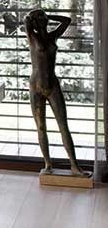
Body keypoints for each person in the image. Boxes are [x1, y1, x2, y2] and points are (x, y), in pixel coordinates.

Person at [24, 9, 84, 175]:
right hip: (36, 86)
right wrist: (31, 19)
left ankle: (74, 165)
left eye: (44, 16)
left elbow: (66, 20)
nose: (43, 19)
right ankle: (48, 164)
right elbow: (25, 22)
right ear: (35, 22)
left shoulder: (52, 36)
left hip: (52, 84)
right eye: (40, 17)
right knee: (41, 127)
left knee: (63, 125)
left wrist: (49, 16)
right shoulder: (32, 37)